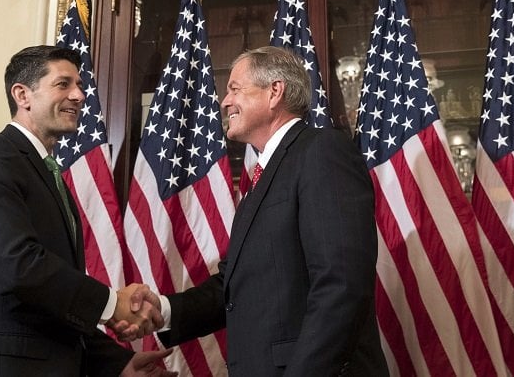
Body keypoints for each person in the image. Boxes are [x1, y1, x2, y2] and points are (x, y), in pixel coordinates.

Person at [126, 46, 388, 376]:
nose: (224, 101)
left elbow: (342, 284)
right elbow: (235, 287)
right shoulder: (263, 177)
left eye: (235, 88)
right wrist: (163, 310)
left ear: (274, 92)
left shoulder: (321, 151)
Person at [0, 45, 176, 377]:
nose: (79, 95)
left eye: (79, 85)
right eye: (63, 84)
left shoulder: (53, 177)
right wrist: (112, 305)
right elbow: (18, 267)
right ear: (22, 94)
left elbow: (51, 307)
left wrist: (118, 361)